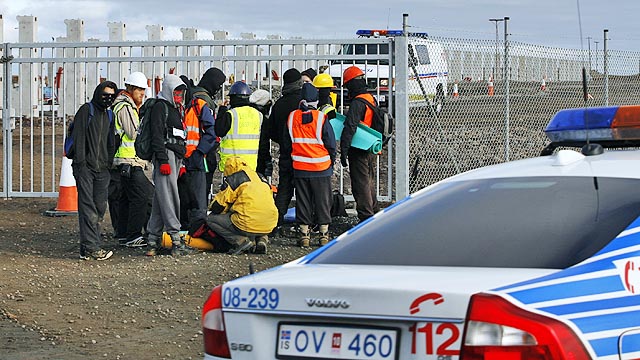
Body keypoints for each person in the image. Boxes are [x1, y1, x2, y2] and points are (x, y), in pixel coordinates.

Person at [282, 83, 336, 247]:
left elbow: (286, 144)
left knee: (303, 201)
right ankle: (323, 234)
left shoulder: (292, 117)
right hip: (321, 167)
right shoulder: (321, 117)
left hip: (300, 168)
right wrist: (330, 162)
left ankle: (304, 234)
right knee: (322, 201)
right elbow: (331, 144)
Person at [145, 74, 193, 257]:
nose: (179, 96)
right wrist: (163, 160)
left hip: (175, 158)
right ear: (168, 91)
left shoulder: (175, 109)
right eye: (176, 92)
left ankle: (152, 240)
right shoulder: (160, 107)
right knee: (171, 197)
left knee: (161, 198)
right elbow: (157, 135)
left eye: (181, 92)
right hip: (166, 157)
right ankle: (176, 239)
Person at [71, 81, 119, 260]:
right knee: (87, 207)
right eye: (105, 94)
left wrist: (108, 162)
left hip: (102, 170)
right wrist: (82, 164)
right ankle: (92, 247)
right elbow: (79, 137)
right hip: (85, 168)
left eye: (112, 96)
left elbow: (110, 141)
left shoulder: (109, 115)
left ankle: (88, 246)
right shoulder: (86, 110)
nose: (108, 98)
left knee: (99, 207)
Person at [178, 67, 226, 234]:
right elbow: (211, 132)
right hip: (200, 156)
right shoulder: (203, 101)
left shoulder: (193, 98)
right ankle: (195, 230)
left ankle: (184, 228)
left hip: (184, 156)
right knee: (199, 197)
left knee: (184, 196)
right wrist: (201, 152)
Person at [111, 71, 154, 248]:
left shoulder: (123, 105)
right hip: (129, 160)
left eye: (143, 91)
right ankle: (133, 235)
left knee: (126, 199)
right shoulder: (125, 107)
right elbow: (133, 132)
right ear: (131, 88)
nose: (142, 94)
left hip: (125, 160)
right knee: (141, 197)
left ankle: (123, 234)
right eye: (140, 90)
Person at [257, 68, 302, 229]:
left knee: (284, 188)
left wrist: (284, 141)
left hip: (286, 152)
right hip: (304, 153)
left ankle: (276, 221)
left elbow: (271, 131)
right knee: (304, 189)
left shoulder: (279, 105)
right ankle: (304, 225)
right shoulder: (303, 102)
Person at [207, 156, 278, 254]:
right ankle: (262, 240)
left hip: (247, 223)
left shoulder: (234, 179)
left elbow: (218, 206)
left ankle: (241, 241)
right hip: (270, 222)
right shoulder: (260, 177)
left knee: (211, 219)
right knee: (260, 218)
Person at [340, 66, 380, 223]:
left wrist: (344, 149)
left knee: (360, 184)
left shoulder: (358, 102)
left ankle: (366, 218)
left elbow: (350, 127)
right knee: (369, 181)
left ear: (350, 84)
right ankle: (374, 212)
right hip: (370, 147)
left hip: (358, 148)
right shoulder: (370, 98)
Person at [215, 81, 262, 172]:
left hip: (232, 165)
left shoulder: (231, 114)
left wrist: (222, 111)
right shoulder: (258, 115)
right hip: (250, 166)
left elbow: (219, 131)